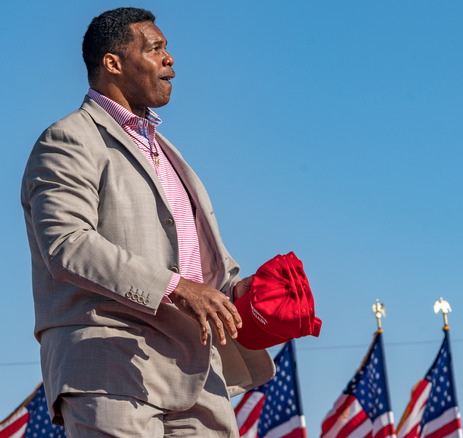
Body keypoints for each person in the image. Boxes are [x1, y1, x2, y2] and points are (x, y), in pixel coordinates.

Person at [21, 7, 274, 436]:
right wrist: (176, 288)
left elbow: (195, 264)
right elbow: (67, 244)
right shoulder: (67, 139)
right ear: (113, 63)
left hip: (199, 370)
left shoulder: (167, 152)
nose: (170, 59)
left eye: (167, 49)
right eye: (156, 48)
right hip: (111, 364)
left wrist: (248, 294)